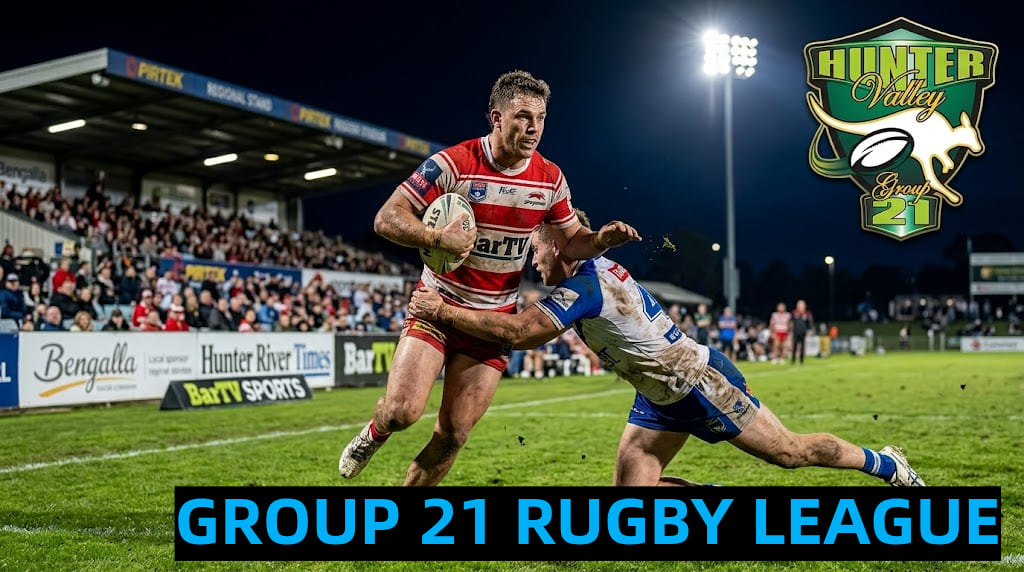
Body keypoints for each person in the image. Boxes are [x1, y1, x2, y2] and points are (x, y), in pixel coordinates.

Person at [407, 211, 924, 488]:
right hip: (657, 396)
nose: (529, 256)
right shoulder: (586, 277)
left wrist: (441, 311)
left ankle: (885, 465)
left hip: (698, 384)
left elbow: (517, 335)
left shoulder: (583, 288)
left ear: (561, 244)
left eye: (535, 245)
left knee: (790, 453)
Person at [338, 70, 641, 485]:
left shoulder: (550, 178)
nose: (533, 127)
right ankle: (375, 431)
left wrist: (602, 239)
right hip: (436, 308)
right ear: (496, 118)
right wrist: (432, 236)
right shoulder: (453, 163)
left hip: (491, 321)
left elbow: (571, 244)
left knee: (454, 434)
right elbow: (386, 218)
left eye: (541, 117)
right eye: (522, 116)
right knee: (401, 412)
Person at [790, 300, 814, 365]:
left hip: (803, 332)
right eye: (799, 305)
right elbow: (791, 322)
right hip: (795, 332)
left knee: (803, 347)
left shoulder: (807, 314)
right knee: (794, 346)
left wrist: (810, 330)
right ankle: (793, 360)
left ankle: (801, 361)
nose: (801, 307)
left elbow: (810, 323)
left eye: (802, 306)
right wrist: (790, 330)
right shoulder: (794, 313)